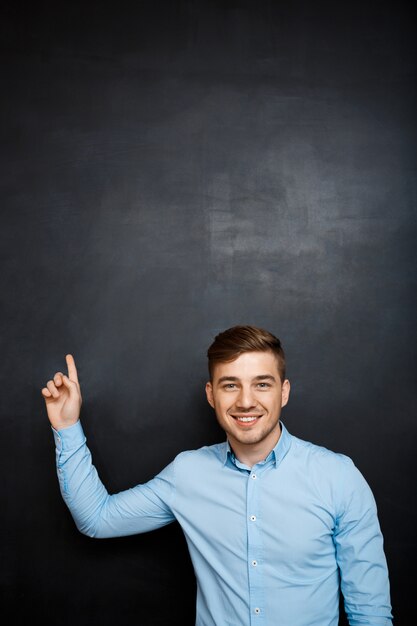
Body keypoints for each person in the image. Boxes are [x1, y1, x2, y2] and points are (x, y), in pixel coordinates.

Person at [41, 325, 393, 626]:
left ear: (284, 391)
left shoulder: (337, 476)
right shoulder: (188, 473)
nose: (245, 401)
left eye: (262, 384)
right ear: (211, 395)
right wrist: (67, 426)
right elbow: (97, 519)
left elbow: (370, 611)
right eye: (230, 385)